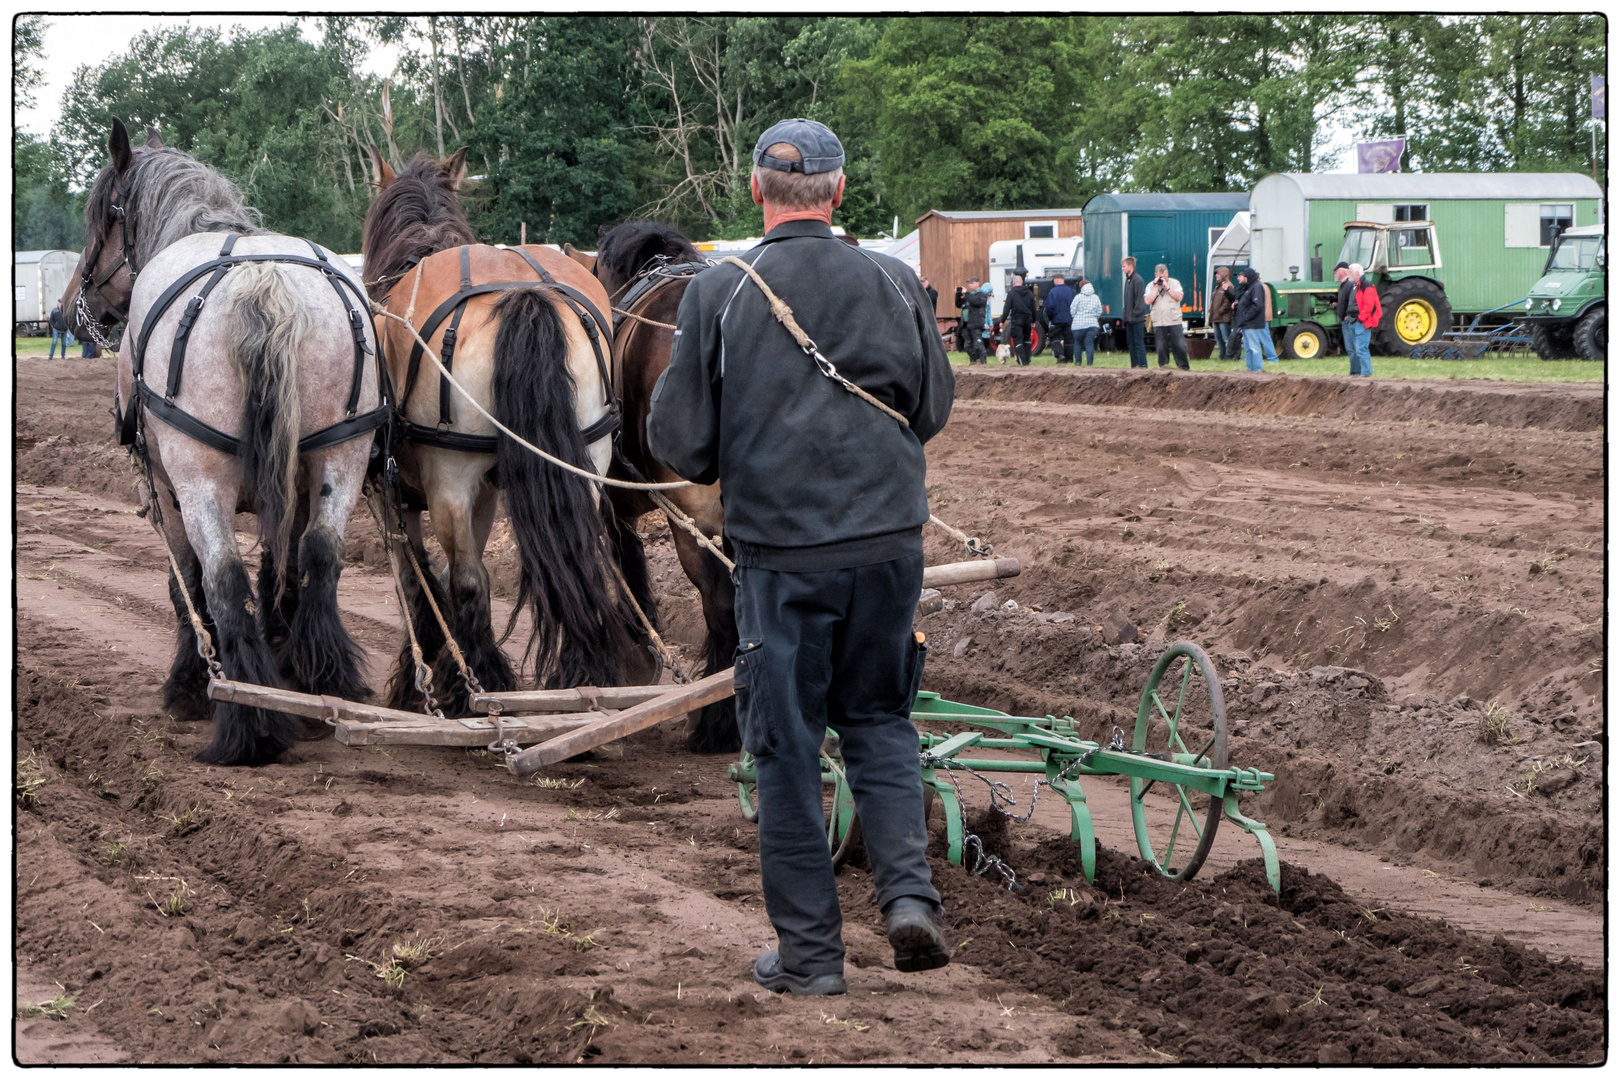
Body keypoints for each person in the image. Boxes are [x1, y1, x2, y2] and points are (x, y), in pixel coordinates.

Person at [647, 118, 955, 998]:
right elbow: (930, 409)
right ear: (839, 191)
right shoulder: (896, 283)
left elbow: (681, 440)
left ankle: (813, 957)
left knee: (784, 749)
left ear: (756, 192)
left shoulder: (720, 290)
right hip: (891, 548)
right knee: (880, 721)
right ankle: (906, 898)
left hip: (782, 562)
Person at [1231, 267, 1277, 372]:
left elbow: (1257, 305)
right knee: (1248, 348)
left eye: (1240, 276)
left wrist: (1246, 317)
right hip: (1246, 323)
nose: (1238, 278)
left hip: (1252, 323)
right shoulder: (1248, 287)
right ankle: (1250, 370)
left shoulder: (1257, 287)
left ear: (1246, 276)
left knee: (1254, 347)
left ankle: (1257, 370)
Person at [1144, 263, 1189, 370]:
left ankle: (1183, 367)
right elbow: (1147, 301)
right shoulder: (1150, 286)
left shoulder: (1175, 283)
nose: (1162, 278)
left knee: (1180, 345)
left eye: (1164, 276)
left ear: (1167, 273)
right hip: (1159, 321)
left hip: (1174, 320)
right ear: (1155, 275)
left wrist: (1167, 287)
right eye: (1160, 276)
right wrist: (1156, 288)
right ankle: (1164, 368)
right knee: (1161, 347)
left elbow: (1179, 297)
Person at [1347, 263, 1382, 377]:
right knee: (1358, 349)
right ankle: (1361, 372)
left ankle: (1366, 372)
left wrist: (1360, 319)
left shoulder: (1366, 286)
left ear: (1357, 273)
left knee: (1361, 348)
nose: (1349, 274)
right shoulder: (1358, 285)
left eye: (1350, 272)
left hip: (1363, 322)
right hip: (1356, 320)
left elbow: (1369, 305)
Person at [1001, 273, 1038, 366]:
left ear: (1013, 283)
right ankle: (1028, 359)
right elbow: (1034, 308)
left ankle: (1022, 361)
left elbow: (1007, 308)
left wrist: (1002, 320)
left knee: (1018, 340)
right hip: (1028, 319)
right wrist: (1034, 320)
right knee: (1027, 340)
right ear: (1022, 282)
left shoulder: (1012, 293)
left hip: (1017, 320)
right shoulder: (1029, 293)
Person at [1120, 256, 1148, 368]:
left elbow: (1139, 301)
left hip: (1137, 319)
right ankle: (1134, 365)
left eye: (1124, 266)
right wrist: (1126, 316)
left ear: (1130, 266)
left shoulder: (1138, 280)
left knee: (1139, 343)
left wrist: (1134, 314)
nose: (1122, 269)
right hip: (1129, 319)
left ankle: (1142, 365)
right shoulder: (1128, 280)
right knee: (1131, 344)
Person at [955, 276, 989, 363]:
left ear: (978, 283)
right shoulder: (969, 295)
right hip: (966, 324)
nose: (970, 285)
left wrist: (966, 294)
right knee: (967, 345)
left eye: (972, 283)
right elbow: (959, 304)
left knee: (978, 344)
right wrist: (958, 295)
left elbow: (976, 302)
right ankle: (973, 360)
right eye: (969, 283)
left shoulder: (982, 294)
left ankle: (983, 362)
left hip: (976, 323)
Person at [1069, 280, 1102, 365]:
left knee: (1077, 343)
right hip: (1092, 324)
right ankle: (1090, 363)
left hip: (1078, 325)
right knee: (1089, 343)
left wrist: (1076, 318)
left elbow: (1072, 310)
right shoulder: (1096, 297)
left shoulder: (1078, 297)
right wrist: (1094, 317)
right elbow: (1099, 311)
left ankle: (1078, 362)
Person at [1043, 274, 1076, 363]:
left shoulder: (1053, 292)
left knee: (1054, 337)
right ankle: (1069, 359)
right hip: (1069, 319)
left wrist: (1050, 317)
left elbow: (1049, 307)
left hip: (1056, 319)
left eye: (1054, 280)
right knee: (1069, 340)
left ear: (1057, 280)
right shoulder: (1071, 291)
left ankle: (1059, 355)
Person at [1208, 266, 1235, 360]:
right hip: (1216, 318)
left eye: (1218, 273)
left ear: (1223, 274)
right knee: (1219, 339)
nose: (1216, 275)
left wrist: (1219, 312)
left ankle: (1228, 357)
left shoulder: (1228, 286)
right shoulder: (1217, 287)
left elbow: (1228, 302)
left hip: (1223, 318)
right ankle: (1222, 357)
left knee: (1226, 339)